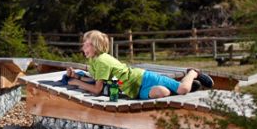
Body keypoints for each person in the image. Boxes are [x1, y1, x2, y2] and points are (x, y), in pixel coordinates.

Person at [65, 30, 214, 99]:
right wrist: (76, 76)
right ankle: (182, 85)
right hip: (134, 92)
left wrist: (77, 82)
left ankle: (193, 73)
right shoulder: (93, 61)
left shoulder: (102, 60)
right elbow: (94, 79)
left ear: (95, 46)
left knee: (182, 90)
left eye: (86, 45)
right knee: (163, 93)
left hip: (143, 78)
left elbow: (97, 89)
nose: (82, 48)